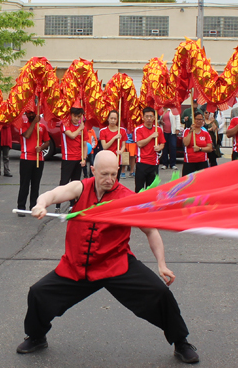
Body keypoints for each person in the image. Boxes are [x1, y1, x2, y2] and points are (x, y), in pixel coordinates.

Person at [17, 150, 199, 364]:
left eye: (114, 174)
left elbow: (151, 231)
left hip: (116, 264)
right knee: (39, 293)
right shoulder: (81, 187)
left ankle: (181, 342)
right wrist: (40, 204)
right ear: (93, 170)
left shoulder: (127, 199)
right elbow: (55, 194)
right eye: (104, 174)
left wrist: (161, 264)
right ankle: (37, 337)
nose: (110, 179)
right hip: (79, 264)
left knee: (159, 293)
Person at [16, 111, 50, 217]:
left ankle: (33, 207)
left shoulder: (42, 127)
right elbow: (27, 135)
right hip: (26, 158)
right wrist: (34, 123)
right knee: (24, 184)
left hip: (39, 159)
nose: (31, 115)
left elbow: (47, 141)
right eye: (29, 114)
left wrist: (41, 148)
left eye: (33, 113)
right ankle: (21, 207)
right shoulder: (22, 125)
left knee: (35, 185)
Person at [55, 107, 88, 213]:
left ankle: (72, 205)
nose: (76, 118)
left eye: (79, 116)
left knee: (75, 183)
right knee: (64, 182)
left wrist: (84, 158)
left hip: (78, 158)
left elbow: (84, 144)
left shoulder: (83, 128)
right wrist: (80, 128)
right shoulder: (65, 124)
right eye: (74, 116)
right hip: (68, 158)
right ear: (70, 115)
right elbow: (72, 135)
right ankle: (57, 205)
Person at [134, 107, 165, 193]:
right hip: (142, 163)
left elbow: (162, 143)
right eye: (147, 116)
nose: (149, 118)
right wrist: (151, 136)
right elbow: (139, 144)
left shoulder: (158, 129)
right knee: (139, 190)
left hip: (154, 163)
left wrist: (159, 147)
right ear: (143, 117)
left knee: (152, 190)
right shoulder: (138, 129)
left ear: (154, 117)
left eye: (151, 116)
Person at [182, 111, 213, 176]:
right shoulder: (187, 131)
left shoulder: (205, 133)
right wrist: (191, 131)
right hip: (189, 161)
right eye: (197, 119)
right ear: (193, 119)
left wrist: (200, 149)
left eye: (200, 119)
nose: (199, 121)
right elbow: (186, 143)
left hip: (202, 162)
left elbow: (210, 148)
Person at [99, 110, 127, 179]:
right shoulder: (103, 131)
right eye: (111, 118)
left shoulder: (122, 130)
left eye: (115, 118)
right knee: (106, 180)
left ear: (117, 120)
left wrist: (121, 151)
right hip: (107, 160)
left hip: (117, 160)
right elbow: (104, 146)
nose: (113, 120)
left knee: (116, 180)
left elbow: (123, 145)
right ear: (108, 119)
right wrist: (114, 138)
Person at [160, 106, 180, 170]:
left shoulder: (174, 109)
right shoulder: (161, 110)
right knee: (164, 147)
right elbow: (157, 120)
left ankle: (173, 164)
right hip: (164, 132)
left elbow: (177, 118)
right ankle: (165, 164)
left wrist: (177, 128)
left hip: (172, 132)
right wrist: (160, 121)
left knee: (173, 147)